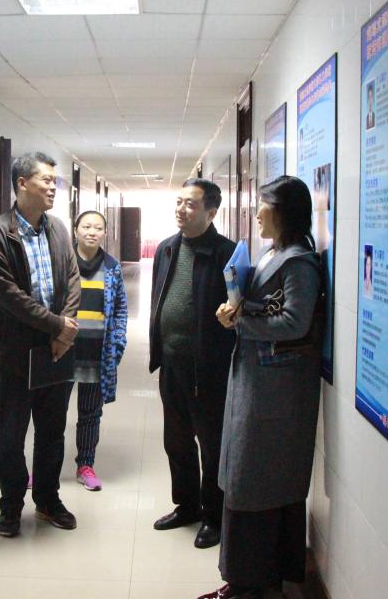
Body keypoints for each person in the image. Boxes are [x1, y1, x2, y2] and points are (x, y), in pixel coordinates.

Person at [205, 175, 325, 599]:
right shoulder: (274, 253)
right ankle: (245, 580)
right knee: (245, 475)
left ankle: (251, 584)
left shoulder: (299, 263)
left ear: (285, 212)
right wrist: (236, 309)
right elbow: (267, 307)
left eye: (264, 205)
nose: (256, 213)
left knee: (255, 479)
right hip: (258, 378)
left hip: (276, 391)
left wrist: (241, 320)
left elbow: (294, 322)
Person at [0, 151, 81, 538]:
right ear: (22, 183)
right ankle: (10, 505)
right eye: (46, 180)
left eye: (55, 181)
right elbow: (7, 295)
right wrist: (58, 325)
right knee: (12, 436)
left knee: (52, 432)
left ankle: (48, 499)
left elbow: (72, 279)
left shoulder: (58, 229)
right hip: (17, 353)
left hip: (56, 350)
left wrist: (63, 331)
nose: (53, 187)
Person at [149, 179, 236, 549]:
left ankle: (214, 516)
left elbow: (237, 308)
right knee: (176, 440)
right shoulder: (167, 248)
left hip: (208, 369)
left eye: (191, 204)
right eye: (179, 202)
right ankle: (186, 506)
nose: (181, 209)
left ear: (211, 212)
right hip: (171, 364)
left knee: (211, 445)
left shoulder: (226, 253)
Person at [68, 210, 128, 491]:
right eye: (86, 226)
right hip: (62, 352)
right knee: (50, 414)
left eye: (98, 228)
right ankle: (45, 467)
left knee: (90, 414)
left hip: (97, 355)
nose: (92, 232)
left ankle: (85, 465)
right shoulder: (62, 261)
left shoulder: (112, 267)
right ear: (76, 230)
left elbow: (120, 308)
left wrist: (117, 344)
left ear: (105, 232)